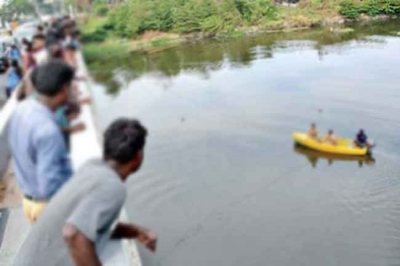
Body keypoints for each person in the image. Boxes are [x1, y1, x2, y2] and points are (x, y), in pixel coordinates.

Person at [13, 118, 158, 266]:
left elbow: (94, 226)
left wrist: (137, 231)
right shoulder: (113, 187)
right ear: (138, 157)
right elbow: (74, 234)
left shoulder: (92, 167)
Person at [8, 60, 75, 223]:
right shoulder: (48, 131)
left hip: (29, 203)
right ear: (64, 89)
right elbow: (49, 186)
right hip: (47, 208)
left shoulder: (21, 109)